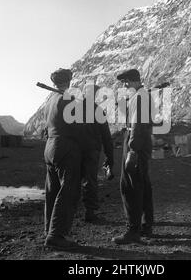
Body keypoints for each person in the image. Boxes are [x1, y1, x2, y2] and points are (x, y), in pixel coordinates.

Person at [112, 69, 154, 244]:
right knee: (142, 183)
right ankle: (146, 224)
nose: (124, 85)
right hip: (142, 143)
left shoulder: (139, 97)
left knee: (130, 187)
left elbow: (136, 125)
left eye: (126, 82)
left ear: (133, 81)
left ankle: (133, 230)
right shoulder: (142, 96)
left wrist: (132, 149)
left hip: (136, 142)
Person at [43, 68, 82, 249]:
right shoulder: (66, 99)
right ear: (69, 81)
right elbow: (77, 127)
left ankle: (48, 230)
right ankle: (56, 235)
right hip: (65, 147)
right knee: (67, 191)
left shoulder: (49, 100)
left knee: (52, 190)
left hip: (49, 147)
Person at [80, 83, 114, 222]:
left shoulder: (72, 109)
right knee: (90, 181)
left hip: (74, 151)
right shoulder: (98, 111)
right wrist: (110, 158)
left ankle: (67, 212)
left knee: (70, 181)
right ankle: (90, 212)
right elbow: (106, 137)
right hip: (91, 152)